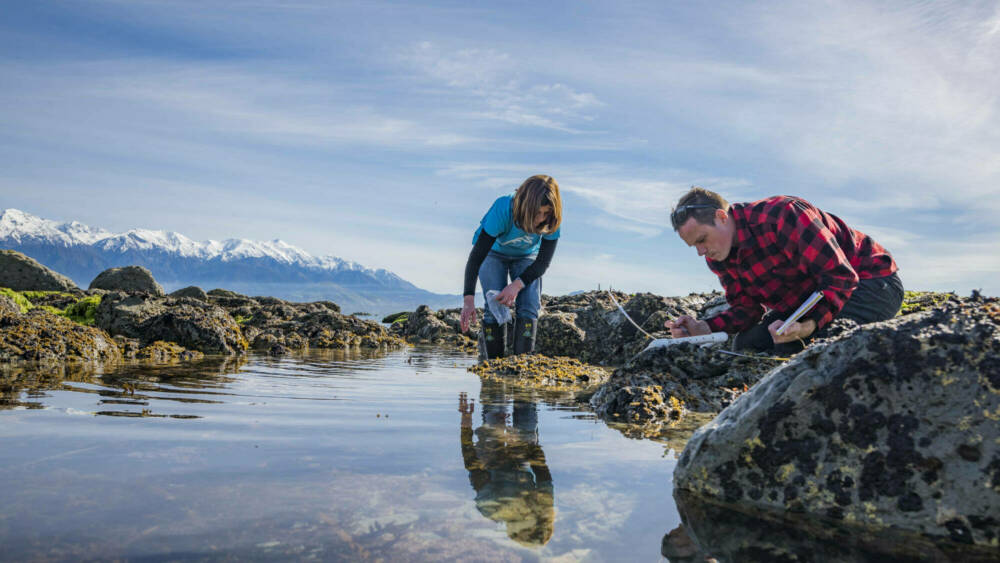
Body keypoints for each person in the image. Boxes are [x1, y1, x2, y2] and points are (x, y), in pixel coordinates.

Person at [666, 187, 903, 355]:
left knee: (803, 348)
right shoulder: (718, 255)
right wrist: (704, 328)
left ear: (721, 217)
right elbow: (747, 309)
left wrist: (807, 326)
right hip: (808, 298)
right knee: (747, 344)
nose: (700, 251)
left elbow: (840, 277)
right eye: (694, 246)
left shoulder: (782, 215)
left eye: (702, 239)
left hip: (871, 283)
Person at [460, 175, 562, 358]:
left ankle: (521, 367)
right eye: (536, 213)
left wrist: (516, 286)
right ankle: (493, 370)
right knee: (494, 304)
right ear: (525, 206)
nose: (540, 219)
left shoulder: (552, 220)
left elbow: (542, 263)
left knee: (529, 303)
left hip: (526, 256)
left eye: (545, 213)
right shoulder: (503, 208)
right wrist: (468, 301)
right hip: (492, 252)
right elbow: (476, 258)